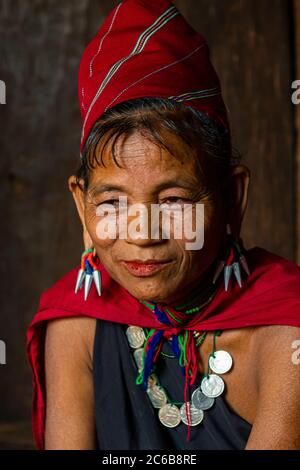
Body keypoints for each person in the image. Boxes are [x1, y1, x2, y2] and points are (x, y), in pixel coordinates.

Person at [26, 0, 300, 450]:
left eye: (174, 199)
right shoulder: (76, 324)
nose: (141, 233)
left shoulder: (286, 333)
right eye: (112, 202)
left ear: (232, 198)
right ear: (80, 205)